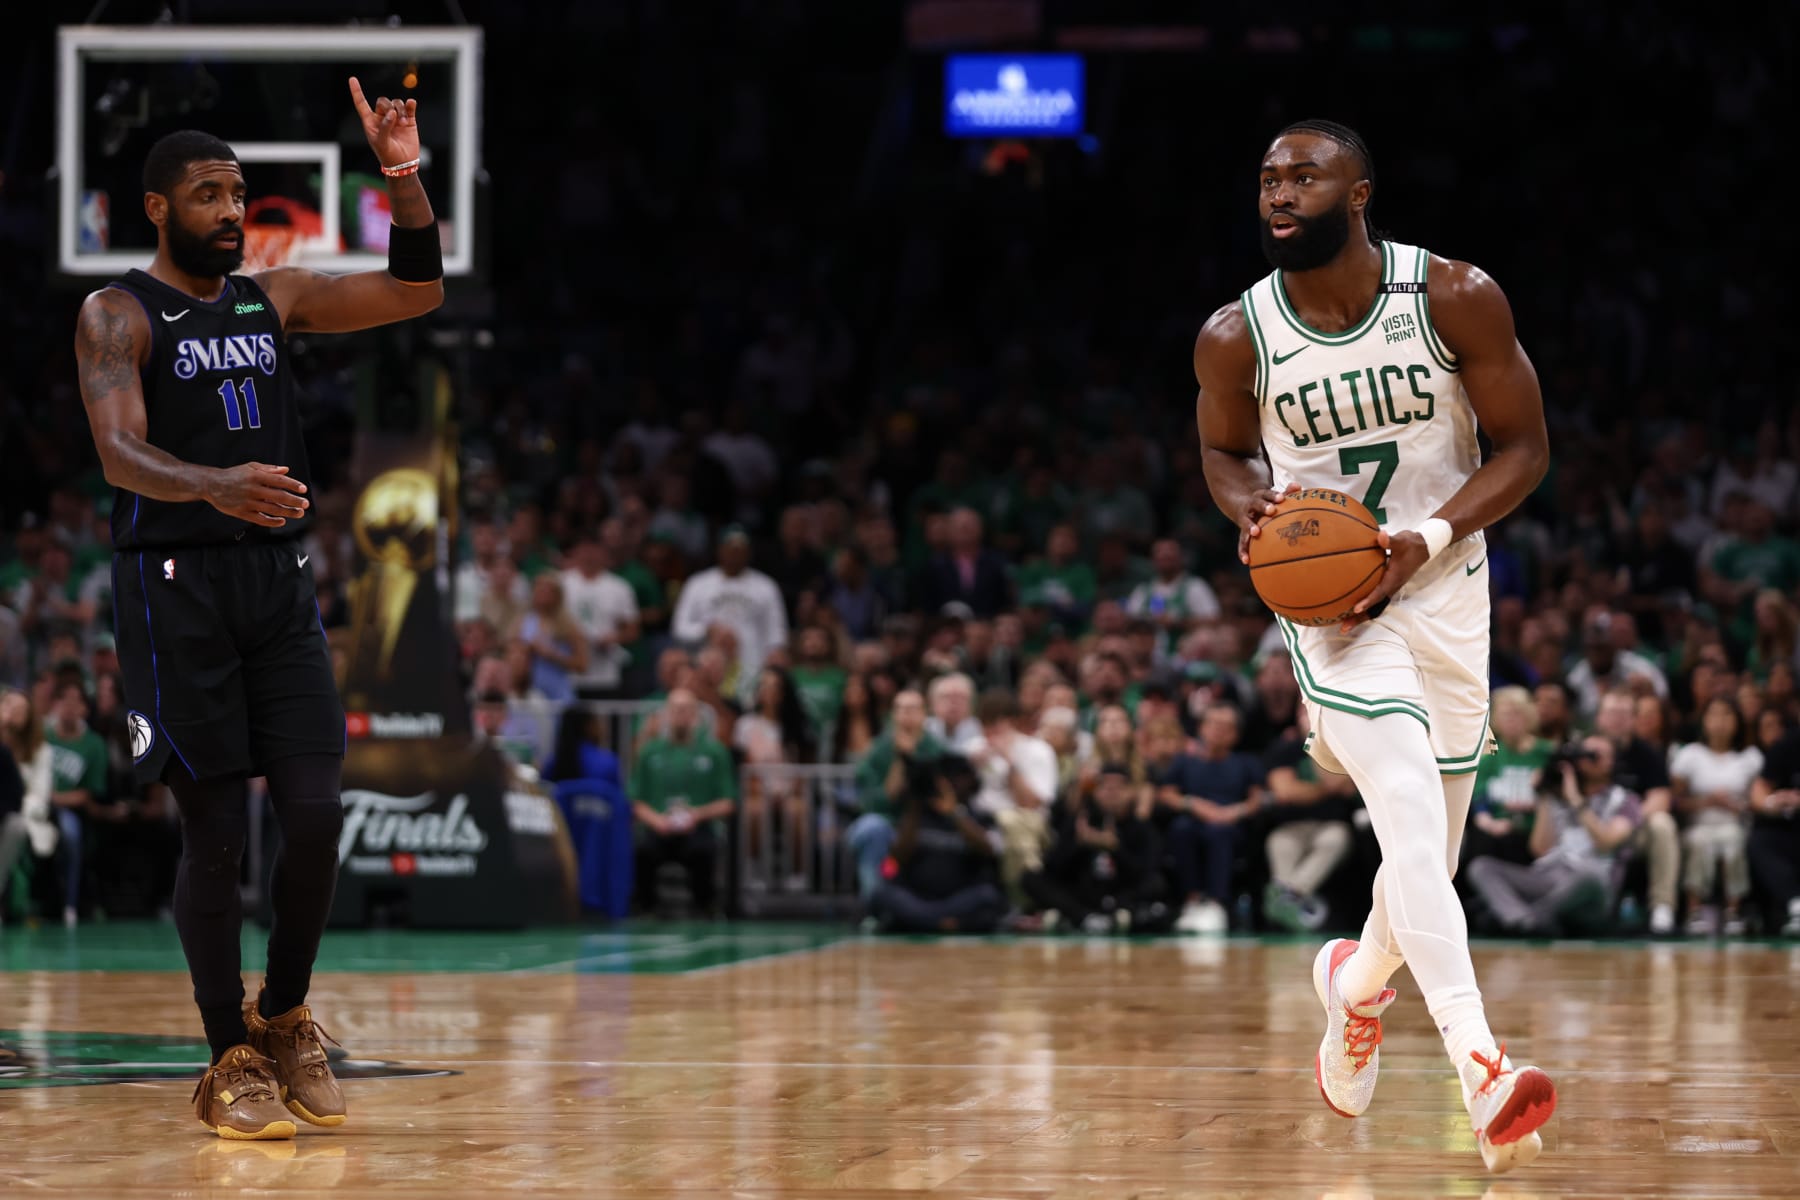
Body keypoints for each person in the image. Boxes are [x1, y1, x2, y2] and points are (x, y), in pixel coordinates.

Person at [71, 82, 445, 1139]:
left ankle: (282, 1016)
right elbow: (117, 452)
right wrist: (214, 483)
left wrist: (403, 176)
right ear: (158, 208)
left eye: (239, 194)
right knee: (219, 836)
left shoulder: (272, 298)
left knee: (319, 816)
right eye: (207, 195)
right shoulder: (115, 313)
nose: (232, 211)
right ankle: (222, 1054)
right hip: (173, 588)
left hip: (275, 586)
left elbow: (416, 291)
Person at [1193, 120, 1556, 1170]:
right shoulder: (1235, 334)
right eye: (1267, 177)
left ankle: (1353, 989)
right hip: (1332, 607)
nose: (1281, 191)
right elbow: (1220, 452)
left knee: (1426, 860)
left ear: (1359, 193)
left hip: (1445, 584)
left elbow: (1525, 447)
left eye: (1305, 175)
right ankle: (1482, 1068)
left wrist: (1426, 541)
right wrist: (1252, 507)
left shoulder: (1452, 296)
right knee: (1400, 807)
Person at [1465, 736, 1642, 936]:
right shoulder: (1557, 796)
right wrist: (1544, 796)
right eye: (1584, 754)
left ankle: (1518, 917)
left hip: (1592, 888)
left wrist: (1576, 799)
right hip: (1550, 876)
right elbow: (1540, 849)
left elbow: (1605, 843)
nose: (1588, 760)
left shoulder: (1625, 800)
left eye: (1596, 755)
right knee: (1482, 867)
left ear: (1612, 762)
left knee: (1588, 878)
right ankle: (1525, 921)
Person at [629, 688, 737, 916]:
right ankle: (646, 908)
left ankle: (705, 907)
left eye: (686, 709)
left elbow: (728, 802)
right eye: (676, 709)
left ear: (696, 714)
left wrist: (697, 814)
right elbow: (635, 801)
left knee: (703, 850)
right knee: (643, 850)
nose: (681, 714)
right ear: (666, 714)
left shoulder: (715, 752)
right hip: (660, 826)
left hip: (698, 826)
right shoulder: (650, 751)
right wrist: (657, 820)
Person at [1669, 698, 1761, 936]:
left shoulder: (1750, 758)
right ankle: (1694, 911)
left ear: (1737, 722)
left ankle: (1733, 912)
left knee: (1733, 840)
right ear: (1704, 721)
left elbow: (1758, 800)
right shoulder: (1690, 755)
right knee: (1700, 841)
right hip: (1699, 823)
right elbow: (1675, 801)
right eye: (1714, 715)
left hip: (1734, 822)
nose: (1720, 721)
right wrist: (1707, 801)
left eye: (1727, 714)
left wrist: (1736, 805)